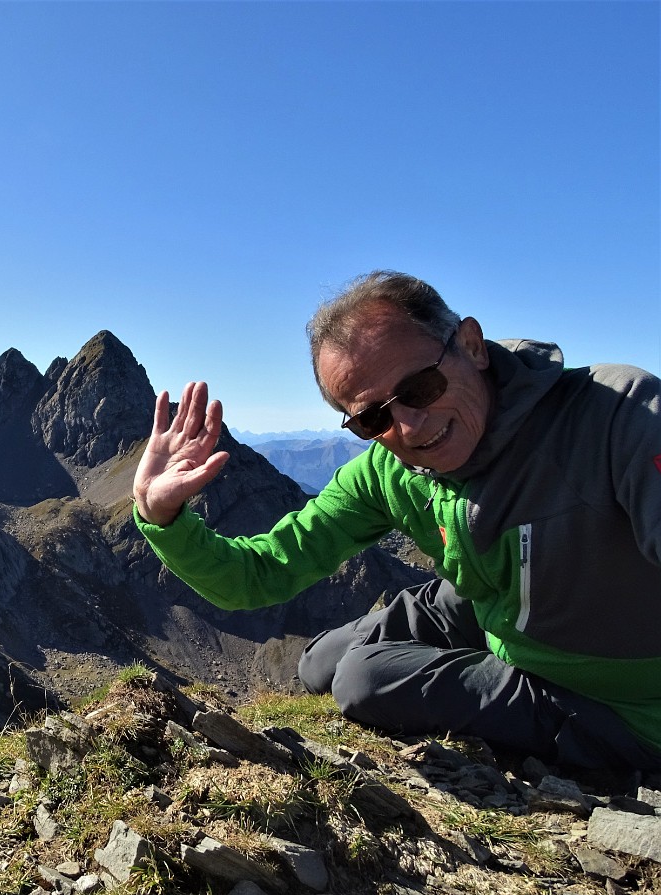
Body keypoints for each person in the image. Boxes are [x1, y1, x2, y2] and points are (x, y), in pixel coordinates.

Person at [132, 271, 661, 770]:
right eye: (373, 416)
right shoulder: (386, 472)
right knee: (319, 663)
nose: (408, 424)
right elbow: (260, 574)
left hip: (620, 701)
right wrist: (162, 515)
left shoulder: (618, 414)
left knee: (362, 680)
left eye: (421, 387)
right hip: (501, 610)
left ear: (472, 346)